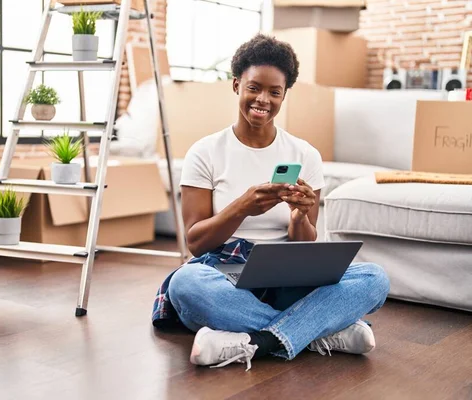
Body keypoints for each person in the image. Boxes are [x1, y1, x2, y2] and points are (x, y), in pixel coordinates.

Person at [151, 33, 390, 371]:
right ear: (236, 85)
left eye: (274, 92)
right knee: (185, 284)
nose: (263, 99)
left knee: (375, 278)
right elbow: (196, 242)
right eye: (254, 88)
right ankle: (319, 332)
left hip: (288, 276)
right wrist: (242, 206)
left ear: (284, 95)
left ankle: (255, 342)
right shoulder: (205, 152)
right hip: (225, 275)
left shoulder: (305, 154)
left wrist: (298, 216)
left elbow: (307, 245)